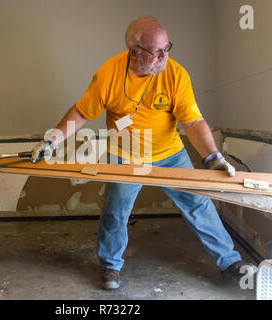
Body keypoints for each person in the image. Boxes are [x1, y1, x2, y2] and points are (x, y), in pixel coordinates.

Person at [31, 16, 257, 290]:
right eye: (156, 51)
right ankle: (110, 266)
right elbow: (81, 112)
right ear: (133, 50)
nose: (164, 56)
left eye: (167, 48)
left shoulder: (176, 74)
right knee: (116, 211)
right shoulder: (109, 74)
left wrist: (212, 157)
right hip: (125, 153)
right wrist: (53, 138)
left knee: (198, 204)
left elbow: (193, 121)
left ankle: (230, 263)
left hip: (170, 153)